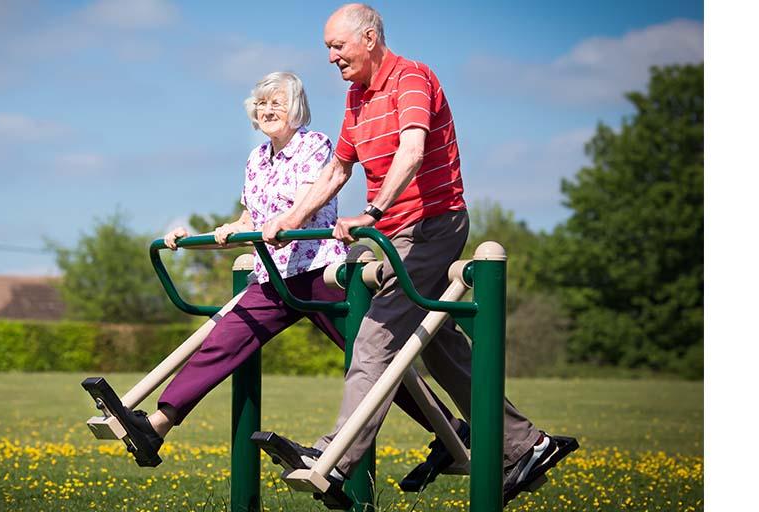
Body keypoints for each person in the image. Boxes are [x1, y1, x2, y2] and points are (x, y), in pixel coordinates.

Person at [260, 3, 578, 504]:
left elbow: (412, 150)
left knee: (375, 338)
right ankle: (528, 444)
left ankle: (334, 460)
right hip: (399, 232)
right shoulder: (356, 98)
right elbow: (337, 170)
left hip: (431, 224)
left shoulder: (412, 79)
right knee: (438, 340)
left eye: (337, 46)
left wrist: (375, 210)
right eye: (327, 48)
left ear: (368, 39)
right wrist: (291, 219)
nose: (331, 57)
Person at [96, 71, 462, 467]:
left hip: (318, 273)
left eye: (278, 103)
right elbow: (250, 216)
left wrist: (272, 225)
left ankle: (451, 433)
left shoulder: (314, 145)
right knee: (222, 343)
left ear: (296, 109)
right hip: (273, 274)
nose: (268, 110)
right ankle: (155, 427)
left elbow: (301, 207)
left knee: (375, 363)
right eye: (262, 103)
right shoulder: (256, 159)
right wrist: (211, 233)